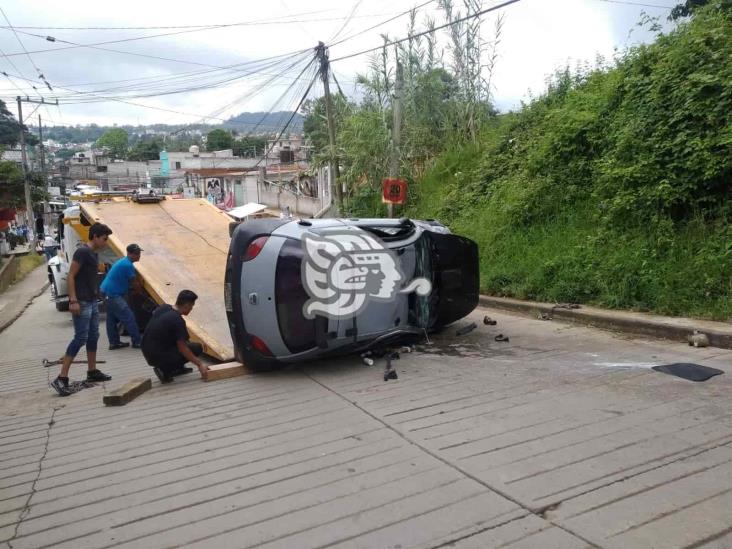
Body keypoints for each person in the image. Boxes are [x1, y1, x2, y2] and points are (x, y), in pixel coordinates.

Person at [51, 222, 114, 396]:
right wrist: (73, 300)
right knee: (80, 338)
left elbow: (88, 278)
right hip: (82, 302)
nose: (106, 242)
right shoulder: (83, 252)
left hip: (92, 300)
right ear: (95, 236)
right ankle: (61, 378)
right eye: (104, 238)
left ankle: (92, 371)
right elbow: (71, 275)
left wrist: (97, 293)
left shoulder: (92, 254)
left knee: (93, 336)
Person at [141, 290, 207, 383]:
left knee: (184, 341)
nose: (191, 309)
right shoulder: (177, 320)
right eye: (192, 306)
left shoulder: (164, 307)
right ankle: (165, 369)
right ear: (187, 305)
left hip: (146, 350)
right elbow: (183, 348)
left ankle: (177, 368)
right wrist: (200, 364)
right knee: (196, 348)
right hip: (156, 357)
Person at [100, 243, 144, 350]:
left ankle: (114, 343)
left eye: (139, 253)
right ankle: (137, 342)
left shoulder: (123, 262)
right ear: (129, 254)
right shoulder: (127, 265)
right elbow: (134, 283)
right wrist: (140, 293)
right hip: (112, 294)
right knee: (129, 316)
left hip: (106, 292)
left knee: (111, 319)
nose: (139, 256)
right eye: (136, 254)